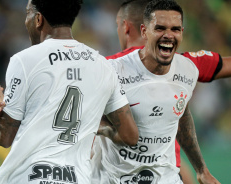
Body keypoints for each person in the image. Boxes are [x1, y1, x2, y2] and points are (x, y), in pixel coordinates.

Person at [0, 0, 139, 183]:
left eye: (28, 13)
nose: (26, 20)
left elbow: (4, 137)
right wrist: (91, 124)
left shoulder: (25, 60)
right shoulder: (103, 65)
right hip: (77, 178)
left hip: (29, 177)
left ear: (38, 19)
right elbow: (130, 135)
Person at [91, 0, 220, 183]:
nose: (168, 35)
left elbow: (181, 113)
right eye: (160, 28)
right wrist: (111, 131)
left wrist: (201, 170)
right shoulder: (113, 70)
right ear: (144, 31)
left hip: (165, 178)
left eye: (175, 29)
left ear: (182, 33)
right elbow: (88, 114)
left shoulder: (187, 70)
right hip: (114, 178)